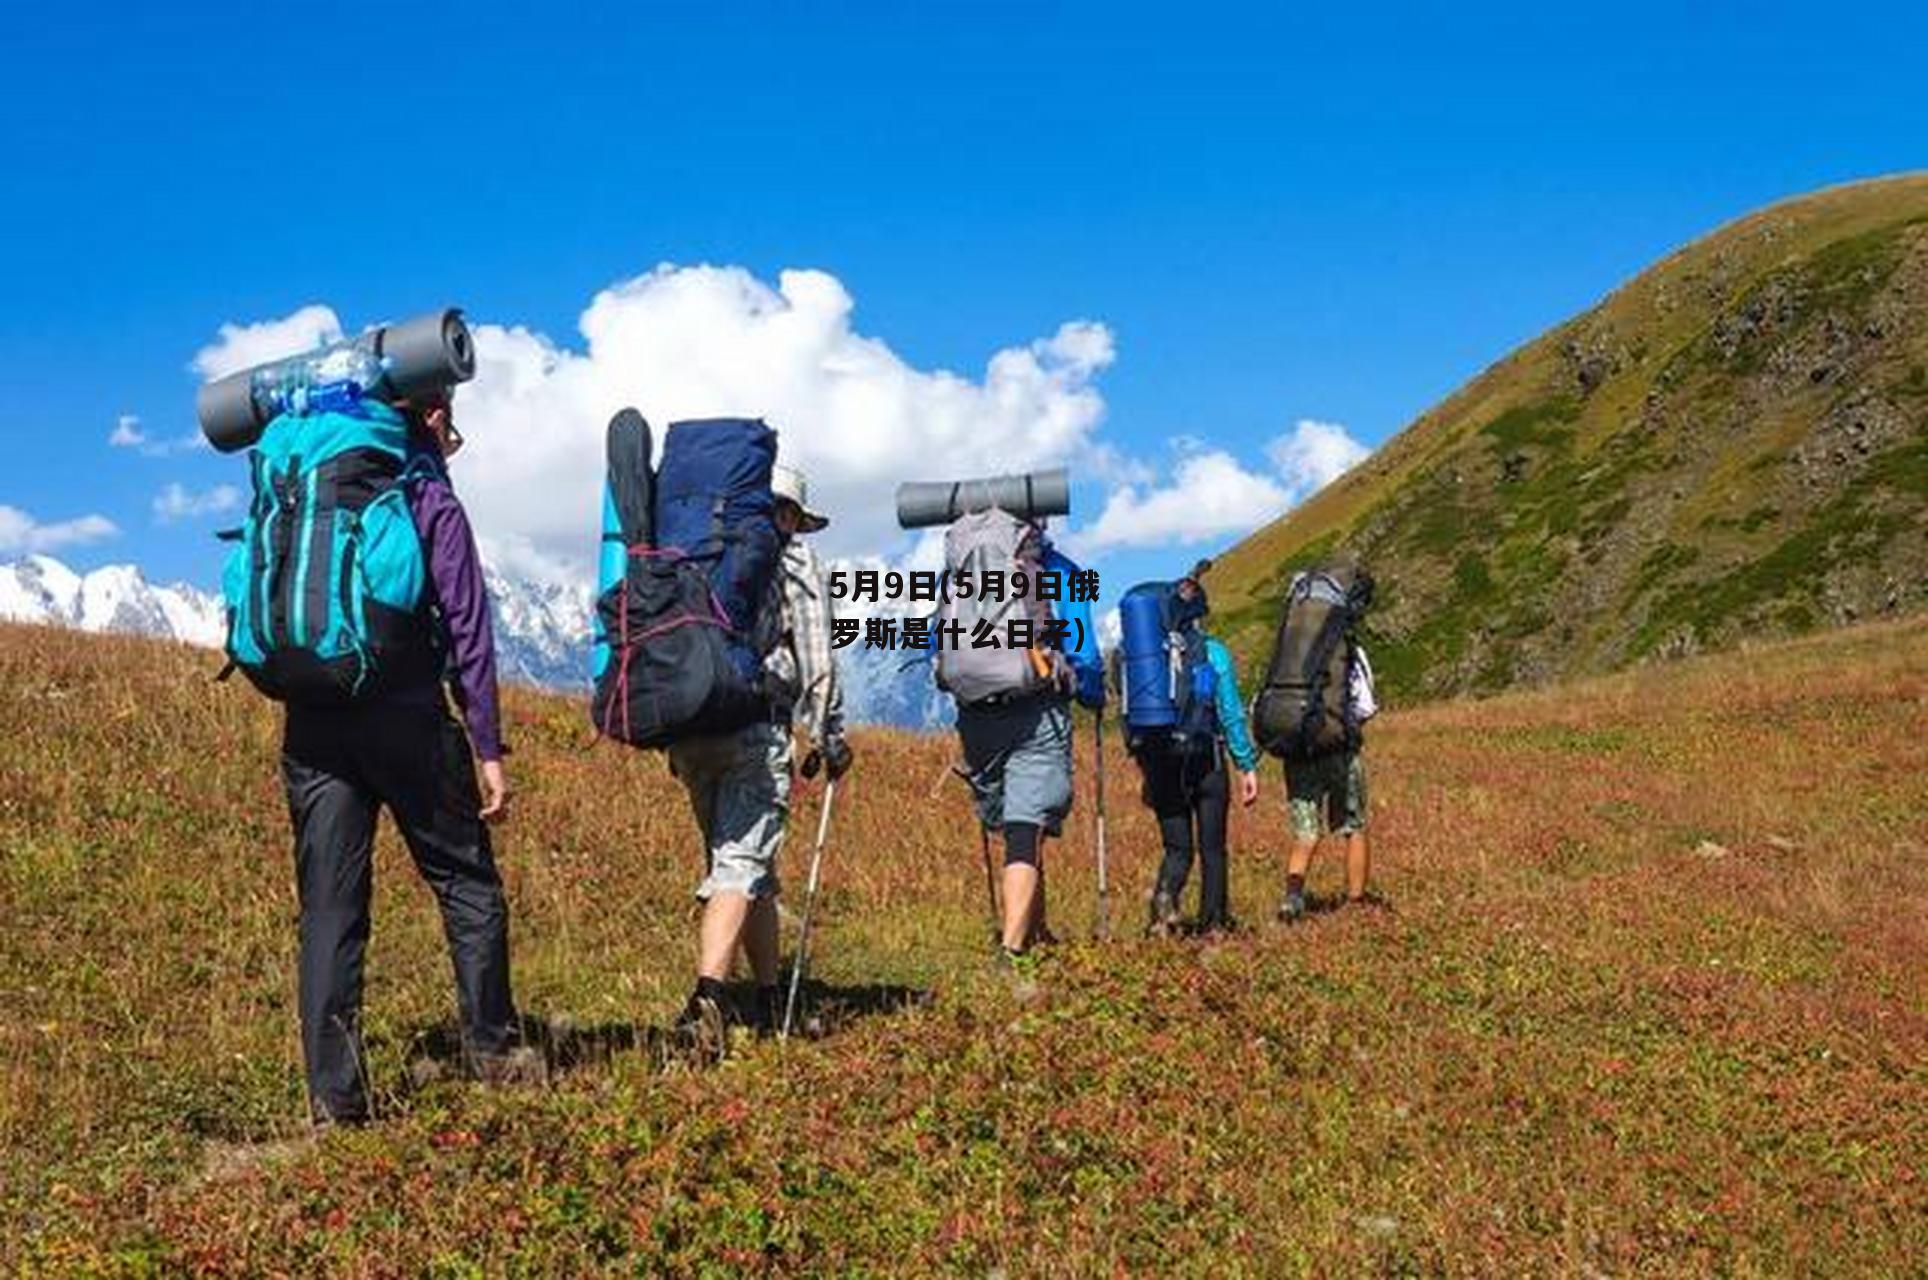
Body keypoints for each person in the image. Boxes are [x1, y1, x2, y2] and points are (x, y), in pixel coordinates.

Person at [281, 390, 532, 1126]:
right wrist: (486, 744)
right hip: (408, 719)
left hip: (313, 722)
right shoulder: (426, 496)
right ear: (432, 415)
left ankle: (334, 1101)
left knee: (330, 912)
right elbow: (467, 628)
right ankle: (492, 1050)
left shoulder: (313, 492)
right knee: (466, 883)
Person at [670, 461, 850, 1058]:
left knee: (749, 872)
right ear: (791, 514)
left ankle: (769, 997)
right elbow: (818, 656)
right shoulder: (794, 560)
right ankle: (706, 1005)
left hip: (690, 724)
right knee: (740, 865)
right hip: (755, 723)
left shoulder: (700, 546)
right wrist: (829, 734)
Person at [1140, 564, 1260, 936]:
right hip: (1206, 760)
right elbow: (1230, 712)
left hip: (1161, 763)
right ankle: (1214, 925)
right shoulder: (1213, 653)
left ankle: (1164, 903)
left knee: (1177, 848)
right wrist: (1246, 763)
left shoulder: (1146, 659)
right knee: (1213, 849)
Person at [1278, 639, 1378, 920]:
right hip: (1340, 752)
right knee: (1353, 824)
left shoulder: (1289, 652)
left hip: (1298, 753)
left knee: (1305, 831)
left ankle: (1293, 897)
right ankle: (1356, 902)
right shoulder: (1350, 650)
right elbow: (1365, 707)